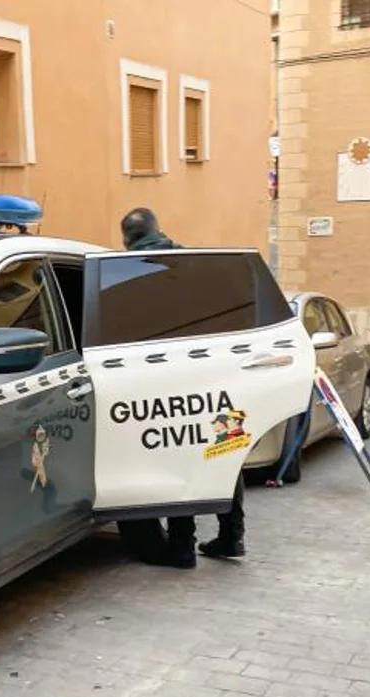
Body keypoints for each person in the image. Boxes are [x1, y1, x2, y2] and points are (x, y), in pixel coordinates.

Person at [114, 208, 245, 570]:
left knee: (178, 456)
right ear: (159, 229)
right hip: (216, 376)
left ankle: (182, 545)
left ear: (127, 238)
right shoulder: (196, 264)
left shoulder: (128, 271)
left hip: (165, 379)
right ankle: (232, 536)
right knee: (226, 451)